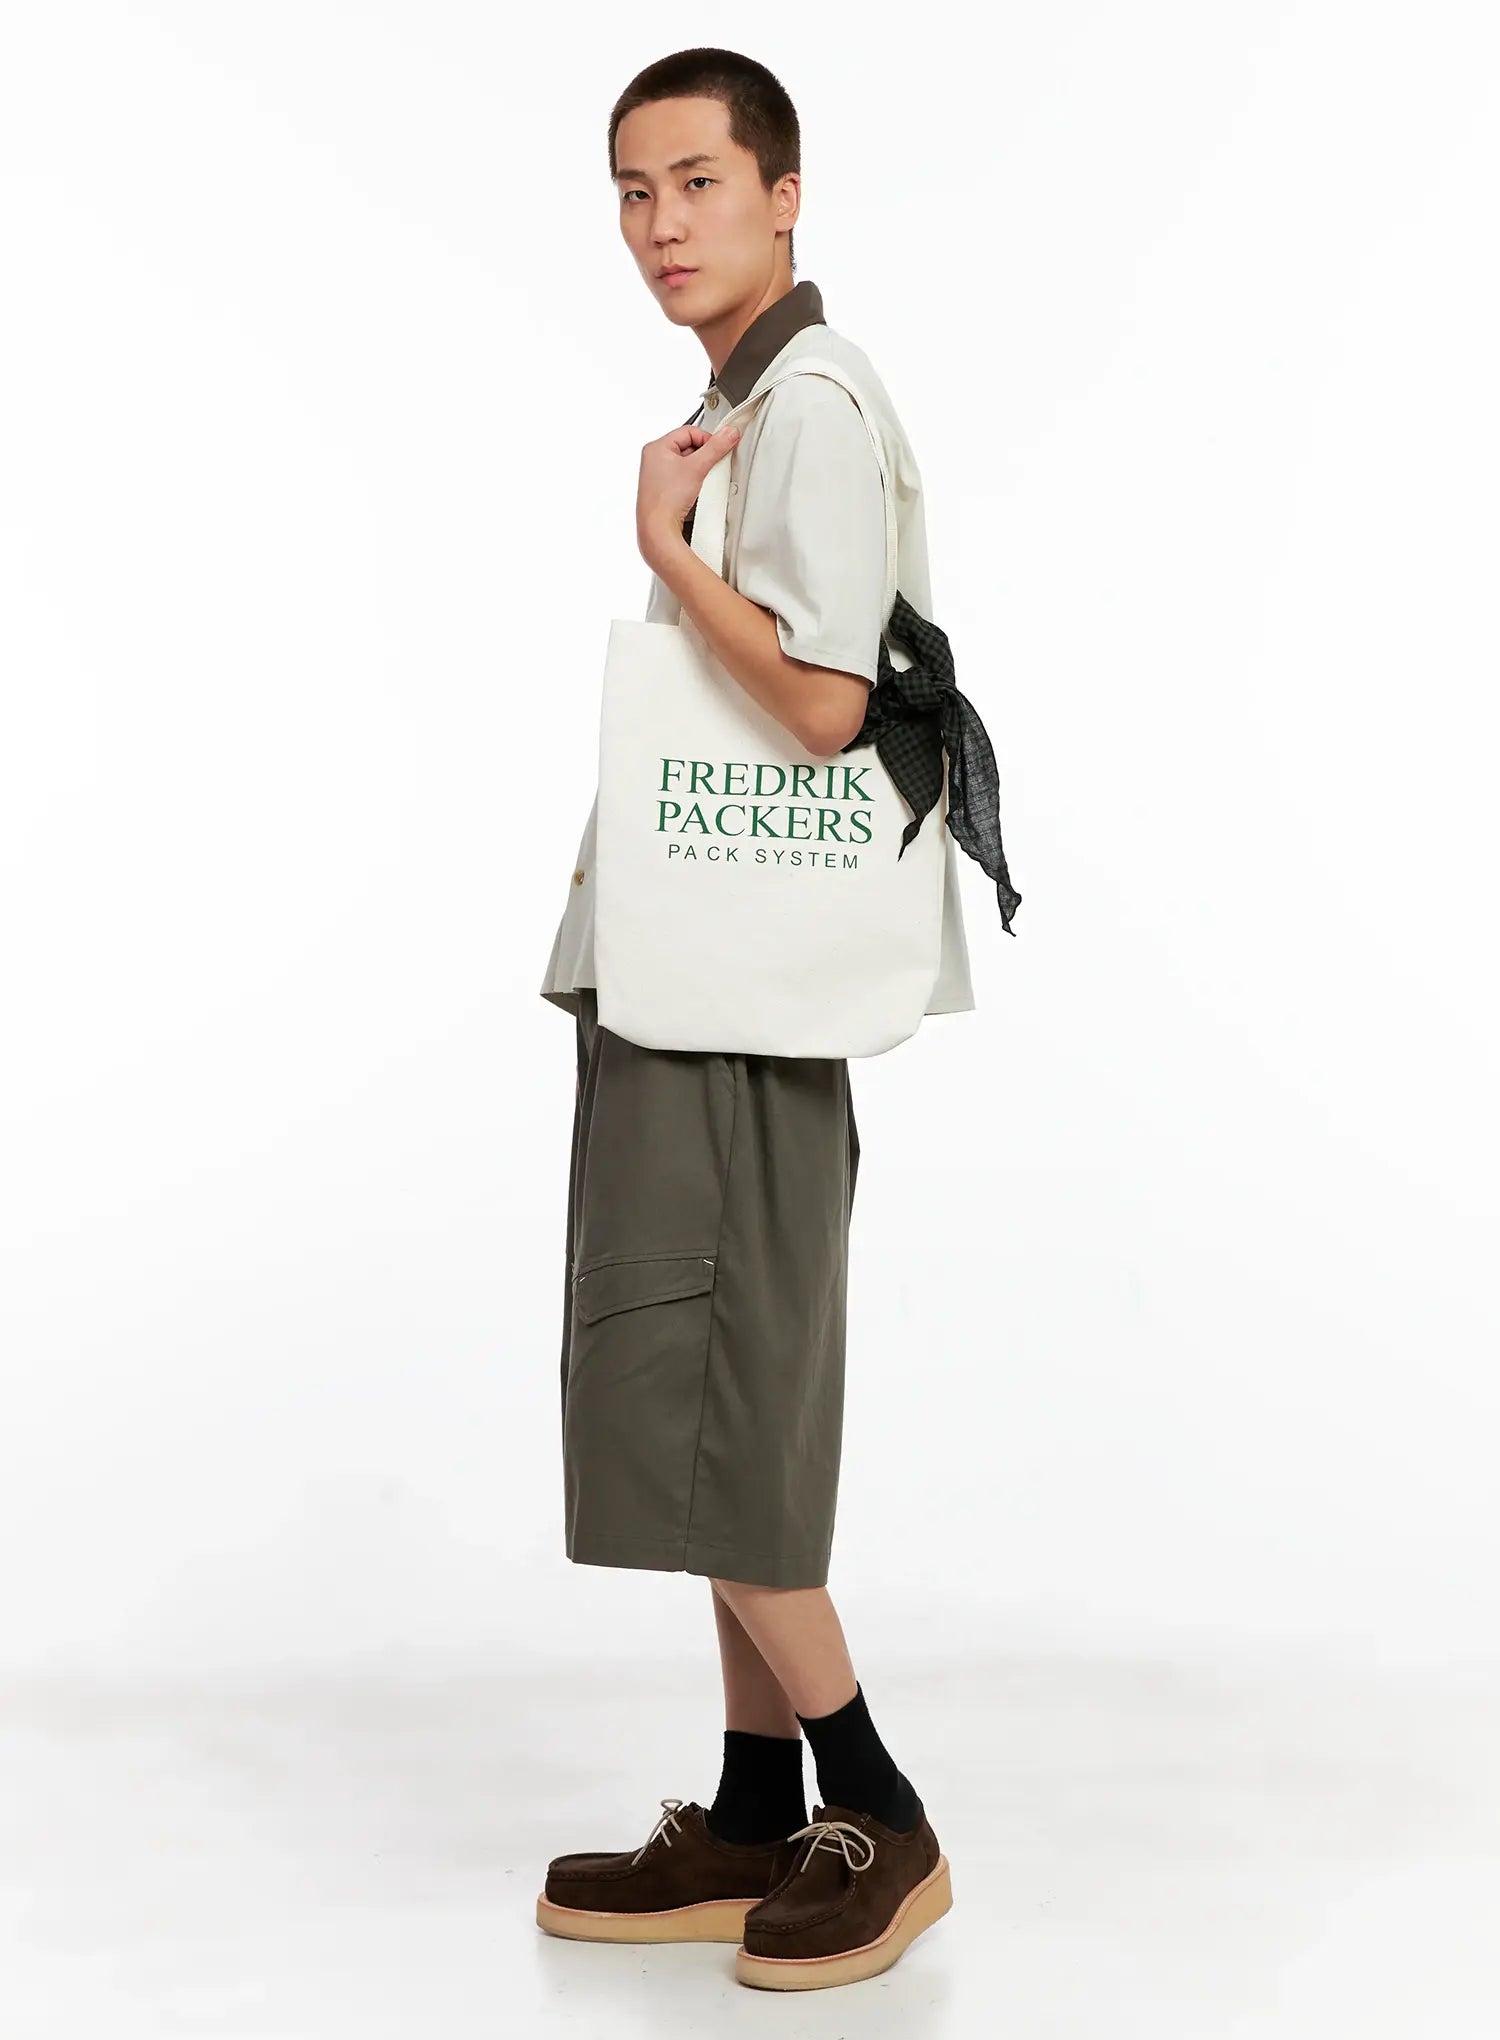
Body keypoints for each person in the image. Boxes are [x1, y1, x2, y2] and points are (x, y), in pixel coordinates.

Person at [535, 48, 960, 1992]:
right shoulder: (749, 403)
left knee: (714, 1390)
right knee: (713, 1393)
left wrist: (660, 555)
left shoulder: (810, 403)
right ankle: (752, 1809)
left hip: (725, 993)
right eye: (633, 192)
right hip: (695, 977)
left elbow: (818, 702)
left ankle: (877, 1807)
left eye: (697, 182)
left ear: (785, 196)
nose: (660, 225)